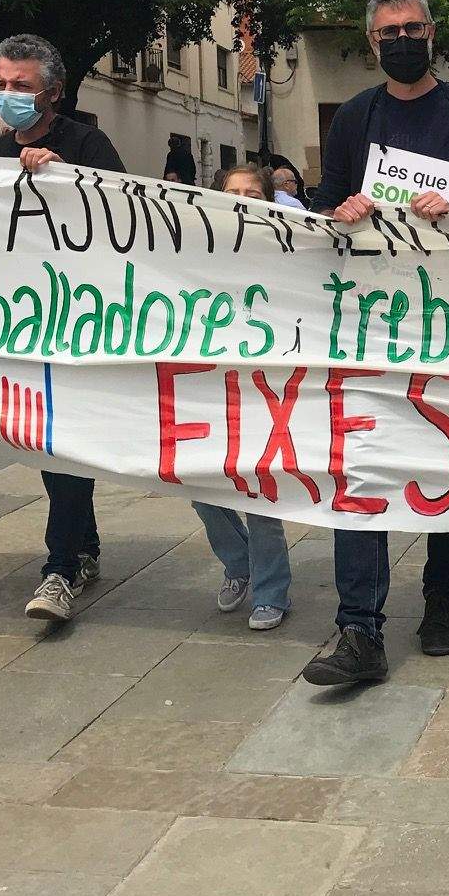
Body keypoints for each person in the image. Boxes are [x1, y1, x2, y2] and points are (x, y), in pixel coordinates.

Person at [301, 0, 449, 686]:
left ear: (433, 33)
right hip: (371, 324)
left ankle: (441, 598)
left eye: (412, 28)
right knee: (359, 463)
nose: (401, 39)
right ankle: (358, 627)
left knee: (447, 462)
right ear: (372, 42)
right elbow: (322, 208)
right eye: (388, 31)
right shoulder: (353, 119)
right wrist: (346, 207)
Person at [0, 34, 129, 625]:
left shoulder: (87, 144)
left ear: (53, 93)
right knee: (46, 442)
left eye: (22, 86)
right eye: (3, 85)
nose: (10, 95)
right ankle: (83, 548)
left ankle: (59, 568)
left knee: (60, 441)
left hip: (79, 322)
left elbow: (124, 211)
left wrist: (67, 178)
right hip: (16, 325)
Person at [189, 163, 296, 631]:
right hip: (207, 383)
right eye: (233, 192)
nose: (242, 199)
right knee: (197, 484)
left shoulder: (291, 250)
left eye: (253, 193)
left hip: (266, 385)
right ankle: (240, 563)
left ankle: (271, 592)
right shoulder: (196, 251)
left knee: (260, 491)